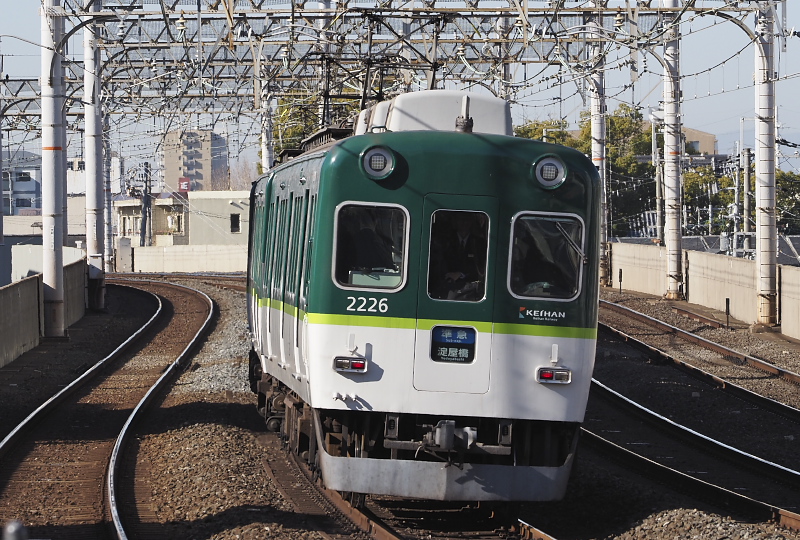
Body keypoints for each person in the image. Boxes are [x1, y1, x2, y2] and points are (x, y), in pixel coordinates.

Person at [429, 211, 487, 300]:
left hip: (471, 289)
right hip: (447, 287)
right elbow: (438, 261)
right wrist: (448, 275)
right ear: (455, 222)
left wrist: (461, 274)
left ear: (471, 222)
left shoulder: (479, 243)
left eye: (466, 220)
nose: (463, 223)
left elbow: (481, 268)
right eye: (460, 220)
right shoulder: (445, 241)